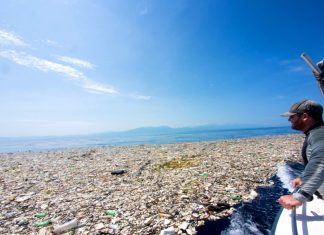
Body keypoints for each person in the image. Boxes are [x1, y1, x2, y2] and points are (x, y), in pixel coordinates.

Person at [279, 99, 324, 209]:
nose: (289, 120)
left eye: (292, 116)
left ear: (305, 116)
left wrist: (300, 196)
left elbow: (321, 160)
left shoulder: (319, 134)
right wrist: (303, 178)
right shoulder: (315, 133)